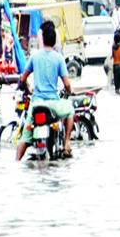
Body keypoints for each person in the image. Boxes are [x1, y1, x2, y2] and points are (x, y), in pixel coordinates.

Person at [15, 21, 75, 161]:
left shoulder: (35, 56)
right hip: (53, 104)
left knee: (25, 138)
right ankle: (67, 143)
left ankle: (16, 161)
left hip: (36, 104)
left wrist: (28, 88)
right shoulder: (59, 58)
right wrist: (69, 90)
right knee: (70, 110)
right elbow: (67, 84)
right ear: (54, 41)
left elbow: (23, 78)